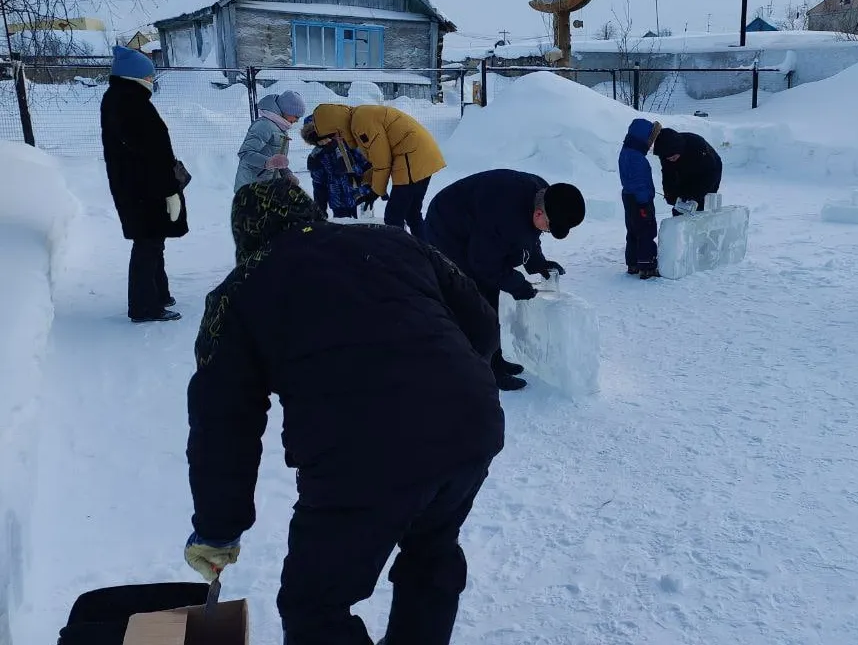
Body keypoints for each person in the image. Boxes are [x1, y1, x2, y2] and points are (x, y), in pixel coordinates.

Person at [182, 180, 505, 645]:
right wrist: (444, 384)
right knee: (432, 550)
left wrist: (218, 528)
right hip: (470, 423)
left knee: (315, 605)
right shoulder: (391, 239)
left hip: (362, 454)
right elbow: (482, 323)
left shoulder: (238, 292)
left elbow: (223, 425)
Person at [421, 169, 586, 391]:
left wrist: (538, 264)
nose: (546, 231)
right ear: (539, 213)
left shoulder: (544, 195)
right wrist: (517, 285)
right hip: (447, 227)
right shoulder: (506, 216)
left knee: (490, 291)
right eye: (548, 226)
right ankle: (486, 368)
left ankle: (494, 359)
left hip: (476, 219)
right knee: (478, 296)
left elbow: (529, 236)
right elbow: (484, 264)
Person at [100, 45, 188, 323]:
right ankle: (144, 306)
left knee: (152, 242)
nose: (152, 79)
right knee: (147, 245)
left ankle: (158, 295)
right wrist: (170, 191)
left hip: (138, 188)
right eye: (149, 75)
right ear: (136, 75)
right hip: (144, 191)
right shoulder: (130, 102)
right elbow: (150, 155)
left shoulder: (123, 98)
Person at [311, 103, 446, 239]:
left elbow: (383, 161)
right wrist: (364, 178)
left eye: (335, 135)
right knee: (412, 213)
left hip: (411, 156)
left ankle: (400, 254)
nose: (338, 139)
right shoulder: (360, 116)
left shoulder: (361, 122)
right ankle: (426, 252)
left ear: (337, 126)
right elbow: (378, 161)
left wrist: (375, 192)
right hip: (422, 155)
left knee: (393, 218)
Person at [300, 114, 373, 220]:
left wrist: (371, 188)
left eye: (326, 138)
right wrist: (320, 210)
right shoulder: (316, 158)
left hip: (362, 195)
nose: (325, 142)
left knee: (366, 228)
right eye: (319, 140)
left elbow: (367, 165)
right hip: (339, 202)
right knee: (344, 232)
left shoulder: (348, 145)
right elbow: (319, 185)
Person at [235, 91, 306, 192]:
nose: (297, 120)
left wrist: (286, 173)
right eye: (296, 116)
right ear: (286, 111)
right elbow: (245, 153)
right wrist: (268, 162)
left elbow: (276, 159)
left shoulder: (280, 128)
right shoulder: (264, 126)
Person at [618, 118, 662, 279]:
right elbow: (639, 182)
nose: (650, 144)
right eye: (650, 140)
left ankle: (633, 263)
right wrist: (644, 203)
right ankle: (647, 265)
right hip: (640, 200)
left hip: (629, 198)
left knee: (633, 230)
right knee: (646, 229)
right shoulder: (637, 159)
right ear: (643, 139)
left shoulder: (626, 152)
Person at [652, 126, 723, 215]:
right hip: (685, 171)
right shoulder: (665, 153)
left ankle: (703, 224)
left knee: (701, 203)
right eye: (669, 159)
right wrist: (670, 195)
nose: (671, 160)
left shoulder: (697, 146)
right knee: (681, 202)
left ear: (679, 150)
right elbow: (668, 175)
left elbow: (710, 176)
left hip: (710, 169)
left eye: (673, 157)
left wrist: (695, 197)